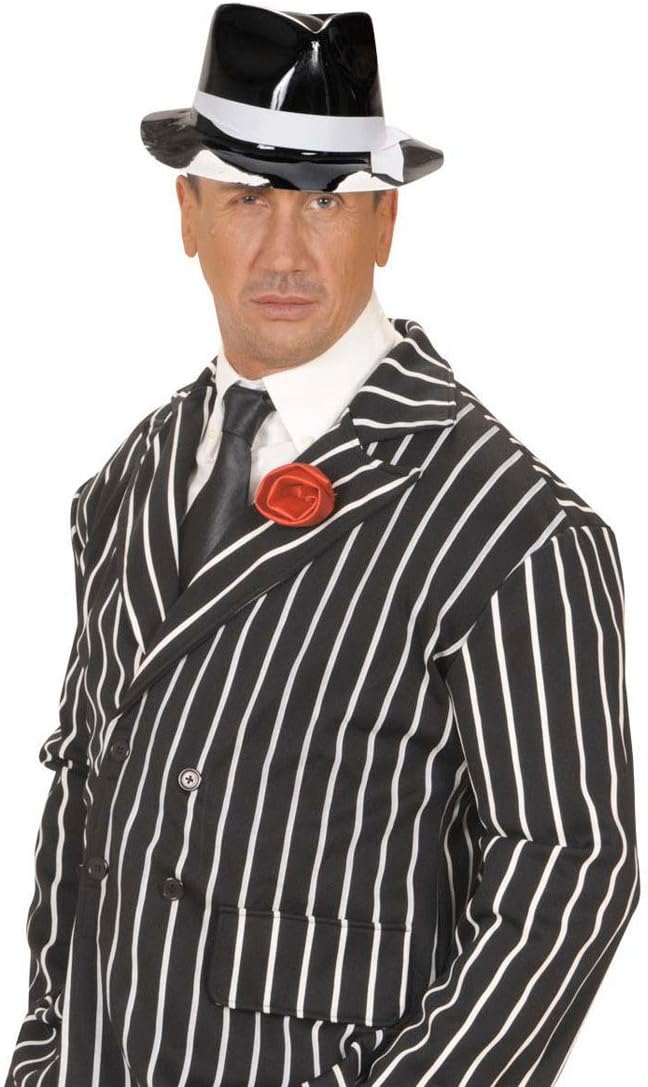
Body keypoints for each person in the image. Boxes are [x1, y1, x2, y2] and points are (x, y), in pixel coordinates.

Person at [4, 4, 640, 1086]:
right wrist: (43, 1050)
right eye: (248, 196)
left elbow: (569, 876)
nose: (285, 250)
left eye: (327, 202)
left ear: (386, 222)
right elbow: (83, 801)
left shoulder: (511, 528)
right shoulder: (125, 485)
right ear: (188, 212)